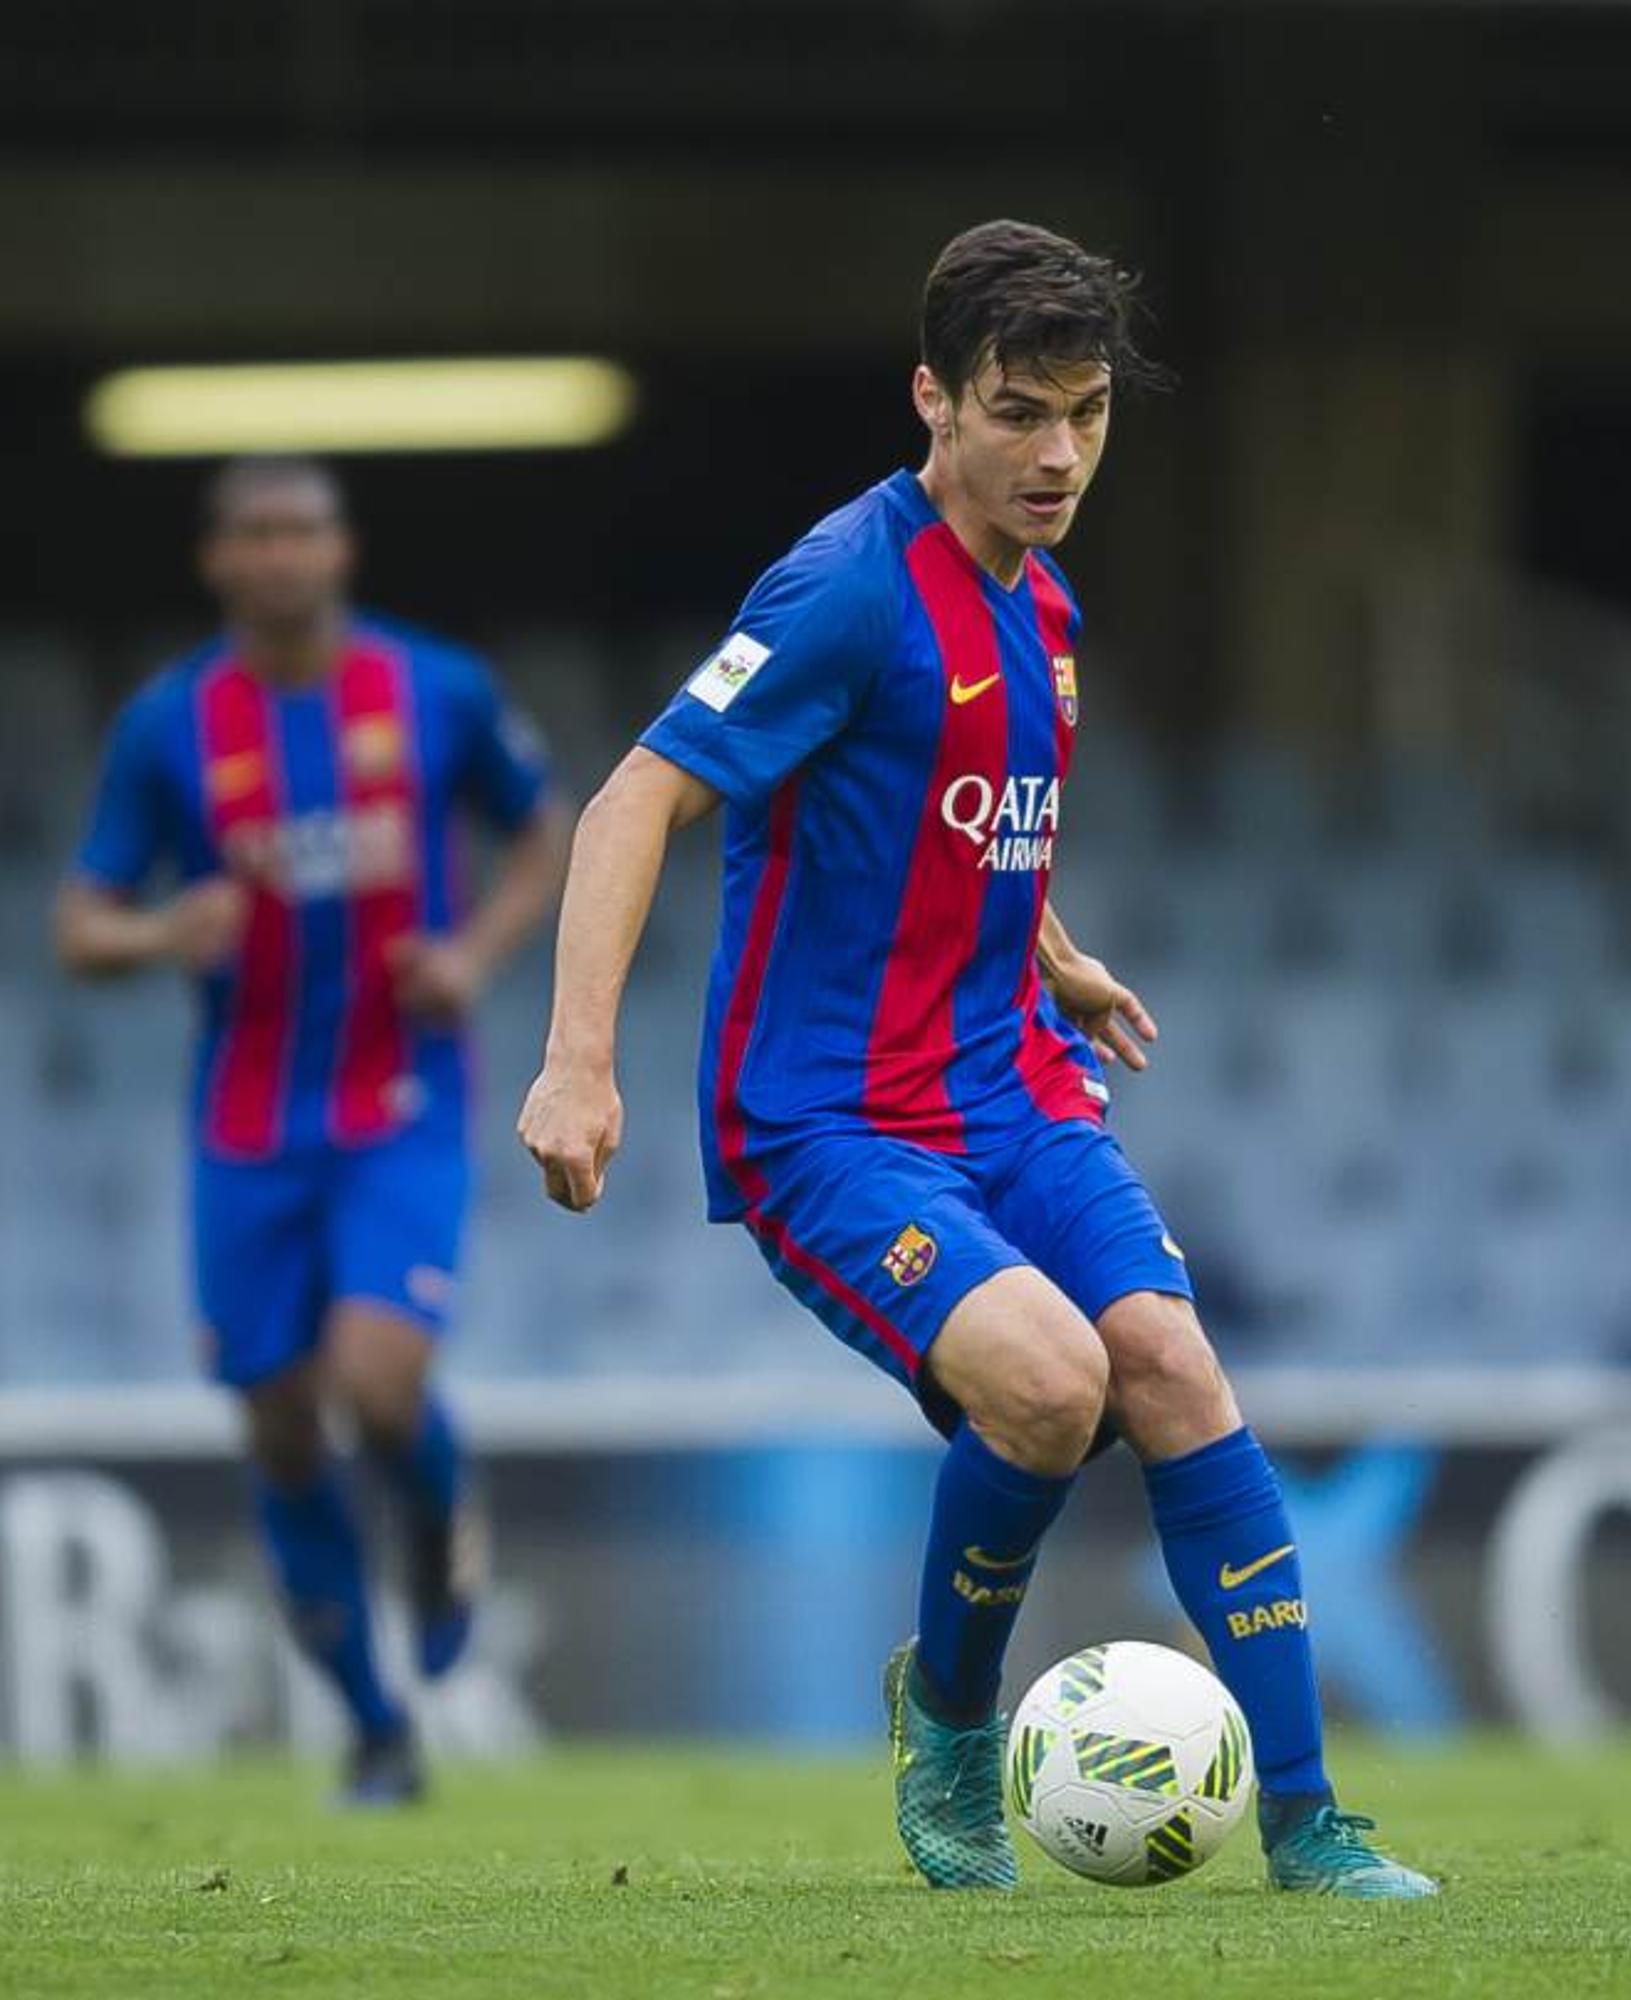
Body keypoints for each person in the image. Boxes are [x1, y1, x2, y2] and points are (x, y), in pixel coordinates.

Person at [516, 220, 1434, 1898]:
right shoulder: (841, 589)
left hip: (1007, 1081)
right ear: (933, 399)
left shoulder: (1048, 604)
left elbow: (960, 821)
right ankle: (947, 1724)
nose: (1061, 452)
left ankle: (1310, 1827)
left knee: (1169, 1366)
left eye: (1086, 412)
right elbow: (633, 797)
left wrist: (1057, 953)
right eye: (1021, 412)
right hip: (831, 1121)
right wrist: (579, 1063)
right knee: (1050, 1383)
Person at [55, 457, 568, 1803]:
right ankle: (373, 1727)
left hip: (400, 1099)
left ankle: (440, 1516)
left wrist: (475, 955)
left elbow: (547, 829)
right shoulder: (170, 727)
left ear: (342, 551)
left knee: (379, 1381)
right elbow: (81, 922)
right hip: (246, 1122)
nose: (282, 555)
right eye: (256, 535)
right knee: (281, 1428)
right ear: (218, 561)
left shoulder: (433, 691)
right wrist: (164, 929)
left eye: (305, 530)